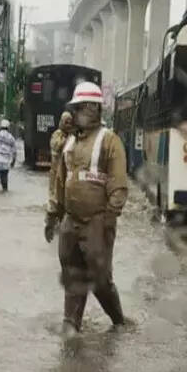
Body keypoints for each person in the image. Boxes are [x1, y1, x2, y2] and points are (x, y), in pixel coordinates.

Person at [44, 83, 128, 334]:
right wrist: (52, 216)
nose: (74, 113)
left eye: (79, 108)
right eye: (74, 108)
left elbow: (119, 186)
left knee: (100, 280)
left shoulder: (109, 141)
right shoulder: (69, 143)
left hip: (97, 221)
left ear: (93, 109)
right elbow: (59, 182)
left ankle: (119, 322)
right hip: (71, 220)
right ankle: (71, 326)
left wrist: (108, 221)